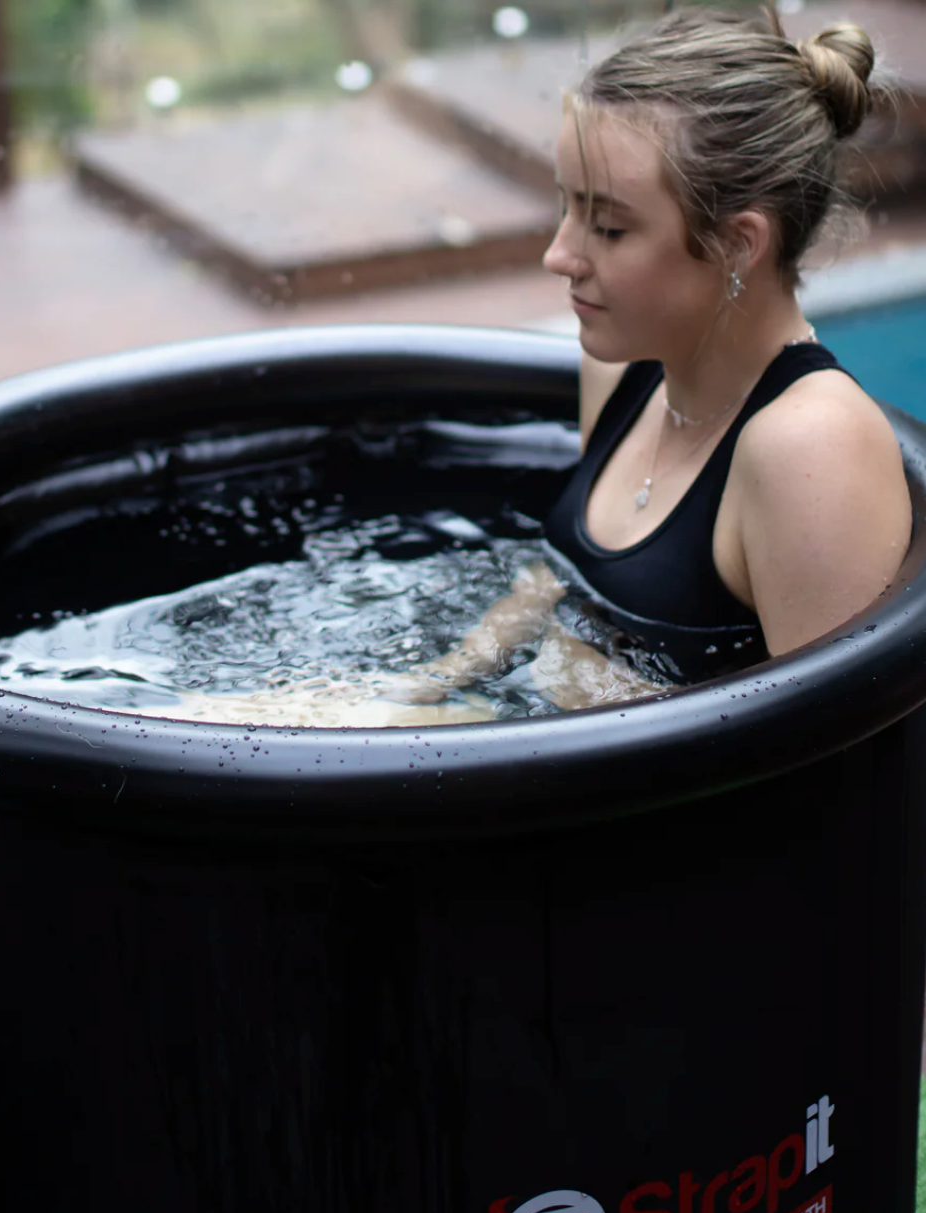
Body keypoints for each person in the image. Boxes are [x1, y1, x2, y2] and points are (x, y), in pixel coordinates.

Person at [388, 4, 912, 708]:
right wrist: (421, 693)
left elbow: (824, 757)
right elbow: (555, 581)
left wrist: (517, 705)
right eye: (566, 207)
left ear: (737, 244)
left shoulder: (809, 449)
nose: (558, 255)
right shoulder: (625, 366)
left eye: (607, 226)